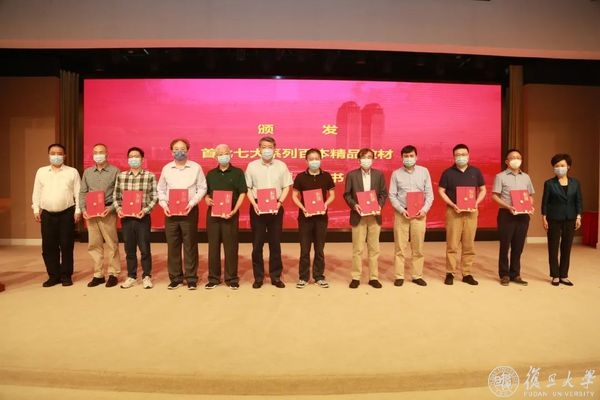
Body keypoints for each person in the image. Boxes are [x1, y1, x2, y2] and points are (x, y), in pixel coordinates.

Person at [157, 138, 207, 290]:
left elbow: (202, 187)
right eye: (176, 149)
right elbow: (161, 189)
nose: (180, 151)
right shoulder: (166, 168)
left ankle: (191, 277)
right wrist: (164, 205)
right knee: (173, 245)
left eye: (183, 149)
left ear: (187, 150)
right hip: (170, 212)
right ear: (171, 151)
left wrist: (192, 203)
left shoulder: (196, 167)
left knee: (190, 244)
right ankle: (176, 278)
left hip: (189, 211)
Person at [245, 136, 293, 289]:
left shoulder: (281, 166)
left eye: (270, 147)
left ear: (274, 149)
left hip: (276, 207)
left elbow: (286, 186)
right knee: (257, 244)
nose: (267, 150)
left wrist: (280, 203)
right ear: (259, 149)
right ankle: (258, 277)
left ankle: (275, 276)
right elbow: (248, 187)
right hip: (257, 207)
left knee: (275, 243)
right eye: (264, 147)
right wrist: (254, 204)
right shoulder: (252, 166)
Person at [31, 143, 81, 287]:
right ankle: (53, 276)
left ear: (64, 155)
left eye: (59, 153)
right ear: (48, 155)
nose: (56, 156)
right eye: (53, 153)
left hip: (67, 213)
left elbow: (78, 192)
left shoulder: (72, 172)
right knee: (48, 247)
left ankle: (66, 276)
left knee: (66, 246)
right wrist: (36, 209)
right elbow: (37, 191)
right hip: (47, 214)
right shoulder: (41, 171)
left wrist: (78, 210)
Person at [438, 143, 486, 286]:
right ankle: (450, 272)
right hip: (454, 212)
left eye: (463, 154)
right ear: (453, 157)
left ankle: (467, 273)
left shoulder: (475, 171)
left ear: (468, 155)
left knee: (469, 244)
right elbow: (441, 191)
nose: (461, 157)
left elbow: (483, 189)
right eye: (458, 155)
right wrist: (452, 204)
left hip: (471, 212)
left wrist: (476, 202)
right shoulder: (447, 173)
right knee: (452, 244)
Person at [388, 145, 433, 287]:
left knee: (418, 247)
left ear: (416, 157)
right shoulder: (396, 174)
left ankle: (417, 275)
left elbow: (430, 194)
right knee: (400, 247)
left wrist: (424, 210)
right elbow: (392, 195)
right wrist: (402, 210)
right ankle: (399, 276)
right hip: (402, 214)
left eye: (411, 156)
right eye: (406, 156)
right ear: (402, 158)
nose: (409, 159)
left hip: (419, 215)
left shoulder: (424, 171)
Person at [114, 147, 158, 289]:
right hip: (126, 218)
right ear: (128, 159)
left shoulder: (149, 176)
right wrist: (119, 209)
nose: (134, 159)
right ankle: (131, 276)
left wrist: (145, 210)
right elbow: (116, 196)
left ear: (142, 159)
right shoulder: (121, 176)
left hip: (142, 217)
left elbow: (155, 197)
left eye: (136, 156)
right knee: (129, 249)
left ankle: (146, 276)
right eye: (131, 156)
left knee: (145, 248)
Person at [204, 144, 247, 290]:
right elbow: (206, 193)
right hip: (213, 215)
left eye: (225, 153)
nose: (223, 156)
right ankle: (213, 278)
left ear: (231, 154)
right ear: (216, 157)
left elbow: (242, 193)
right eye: (220, 154)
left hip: (231, 214)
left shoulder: (238, 172)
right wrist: (206, 199)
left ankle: (231, 278)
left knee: (231, 247)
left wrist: (235, 210)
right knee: (213, 247)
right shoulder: (211, 174)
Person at [343, 148, 388, 289]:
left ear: (373, 159)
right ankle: (356, 277)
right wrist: (354, 205)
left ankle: (373, 277)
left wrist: (379, 205)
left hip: (374, 216)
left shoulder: (379, 175)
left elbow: (383, 193)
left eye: (369, 157)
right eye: (363, 157)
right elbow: (347, 194)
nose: (366, 160)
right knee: (358, 249)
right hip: (358, 215)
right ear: (359, 160)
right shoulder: (352, 175)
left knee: (374, 249)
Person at [291, 148, 336, 288]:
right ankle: (303, 277)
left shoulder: (326, 176)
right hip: (305, 217)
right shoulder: (300, 177)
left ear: (320, 159)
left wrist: (325, 205)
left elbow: (332, 195)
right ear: (307, 160)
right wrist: (303, 208)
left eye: (316, 159)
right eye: (311, 159)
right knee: (304, 249)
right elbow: (294, 196)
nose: (314, 161)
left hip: (321, 217)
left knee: (319, 249)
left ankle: (319, 276)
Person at [79, 143, 121, 288]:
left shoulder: (115, 171)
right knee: (94, 244)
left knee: (111, 243)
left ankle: (113, 273)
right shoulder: (87, 172)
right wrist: (83, 209)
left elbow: (119, 194)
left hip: (107, 211)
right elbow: (83, 192)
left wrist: (111, 208)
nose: (98, 155)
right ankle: (98, 274)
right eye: (95, 152)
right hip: (91, 212)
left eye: (101, 152)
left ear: (107, 154)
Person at [491, 149, 534, 286]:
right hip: (506, 214)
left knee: (518, 246)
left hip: (523, 215)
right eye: (513, 157)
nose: (516, 159)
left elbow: (530, 195)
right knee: (505, 246)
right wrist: (508, 206)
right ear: (507, 161)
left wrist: (530, 206)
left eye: (518, 157)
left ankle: (515, 274)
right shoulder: (500, 176)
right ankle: (504, 274)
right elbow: (494, 196)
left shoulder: (526, 177)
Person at [541, 153, 583, 286]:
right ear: (554, 168)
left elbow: (578, 201)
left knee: (566, 247)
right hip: (553, 218)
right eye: (557, 166)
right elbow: (545, 202)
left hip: (570, 218)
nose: (560, 168)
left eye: (562, 165)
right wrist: (544, 217)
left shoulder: (575, 183)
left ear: (568, 166)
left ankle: (564, 275)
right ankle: (555, 275)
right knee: (553, 247)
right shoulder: (549, 183)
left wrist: (578, 216)